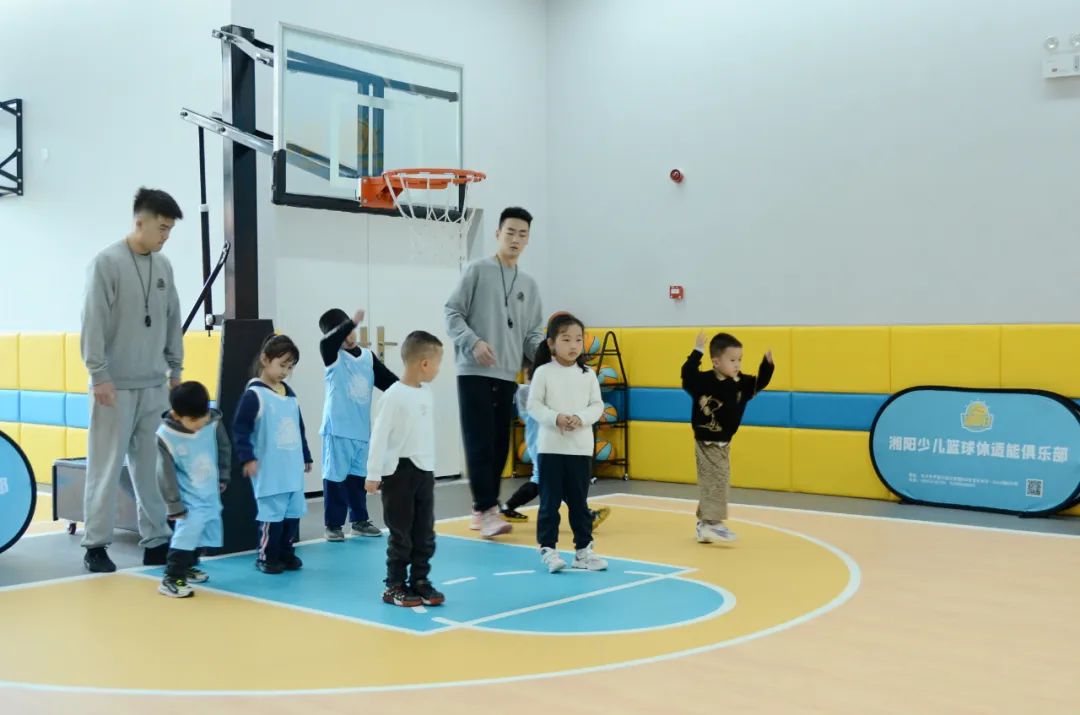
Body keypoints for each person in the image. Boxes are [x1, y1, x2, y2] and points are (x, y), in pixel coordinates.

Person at [80, 187, 185, 572]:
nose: (165, 236)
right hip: (114, 387)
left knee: (150, 468)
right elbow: (93, 323)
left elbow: (173, 320)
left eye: (170, 230)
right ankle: (95, 545)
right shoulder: (105, 263)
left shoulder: (164, 266)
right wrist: (99, 375)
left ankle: (156, 539)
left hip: (154, 385)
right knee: (106, 467)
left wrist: (176, 371)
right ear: (139, 222)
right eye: (161, 228)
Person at [445, 207, 545, 538]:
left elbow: (531, 334)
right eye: (510, 232)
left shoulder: (529, 284)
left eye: (522, 234)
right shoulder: (477, 270)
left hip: (507, 375)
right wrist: (473, 343)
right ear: (498, 233)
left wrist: (550, 356)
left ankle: (481, 509)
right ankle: (488, 509)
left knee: (500, 444)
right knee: (479, 441)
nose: (515, 239)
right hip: (474, 370)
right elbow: (453, 311)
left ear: (528, 239)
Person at [366, 331, 445, 608]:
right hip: (398, 473)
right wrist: (373, 473)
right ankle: (394, 584)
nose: (438, 370)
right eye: (437, 363)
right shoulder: (393, 395)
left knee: (424, 531)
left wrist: (432, 467)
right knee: (401, 532)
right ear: (424, 363)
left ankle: (420, 580)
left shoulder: (426, 393)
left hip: (424, 471)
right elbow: (379, 435)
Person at [527, 313, 607, 573]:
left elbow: (597, 405)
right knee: (549, 503)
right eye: (566, 339)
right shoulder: (543, 373)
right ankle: (548, 549)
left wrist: (580, 419)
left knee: (579, 504)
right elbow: (534, 406)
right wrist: (556, 418)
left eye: (578, 339)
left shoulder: (588, 375)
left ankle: (583, 551)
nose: (574, 345)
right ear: (551, 343)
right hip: (551, 449)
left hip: (580, 450)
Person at [680, 331, 774, 543]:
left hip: (724, 442)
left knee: (714, 480)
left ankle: (705, 524)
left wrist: (767, 366)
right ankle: (713, 524)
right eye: (732, 360)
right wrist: (697, 352)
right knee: (717, 480)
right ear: (716, 361)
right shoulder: (702, 382)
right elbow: (686, 374)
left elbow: (759, 383)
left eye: (739, 360)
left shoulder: (740, 383)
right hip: (706, 440)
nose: (737, 364)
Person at [232, 335, 313, 573]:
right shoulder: (255, 396)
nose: (285, 372)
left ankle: (286, 552)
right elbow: (240, 428)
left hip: (292, 469)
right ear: (265, 360)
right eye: (282, 365)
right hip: (270, 470)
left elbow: (299, 428)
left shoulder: (289, 395)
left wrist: (306, 455)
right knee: (272, 517)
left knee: (292, 515)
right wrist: (247, 457)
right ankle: (267, 556)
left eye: (290, 367)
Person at [501, 357, 612, 530]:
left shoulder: (530, 390)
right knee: (547, 480)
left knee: (547, 481)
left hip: (543, 443)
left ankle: (507, 508)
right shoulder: (528, 392)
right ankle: (586, 516)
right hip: (541, 445)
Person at [318, 307, 398, 541]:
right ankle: (333, 524)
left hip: (361, 431)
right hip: (338, 429)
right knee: (335, 478)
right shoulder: (331, 355)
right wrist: (350, 322)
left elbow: (389, 382)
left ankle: (359, 520)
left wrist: (409, 389)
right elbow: (329, 342)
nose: (350, 336)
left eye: (352, 331)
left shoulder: (367, 357)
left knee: (357, 478)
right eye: (344, 333)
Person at [155, 381, 231, 598]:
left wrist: (223, 475)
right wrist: (174, 504)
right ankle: (171, 577)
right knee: (188, 531)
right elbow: (164, 474)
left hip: (208, 491)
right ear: (177, 415)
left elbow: (224, 448)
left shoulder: (212, 423)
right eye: (193, 420)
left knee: (201, 530)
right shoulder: (166, 436)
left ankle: (187, 567)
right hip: (187, 497)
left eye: (203, 416)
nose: (200, 423)